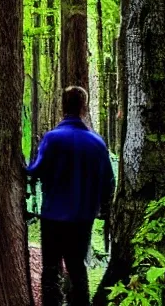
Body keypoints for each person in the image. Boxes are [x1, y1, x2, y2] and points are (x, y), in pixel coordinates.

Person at [27, 86, 115, 306]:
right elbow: (108, 182)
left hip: (53, 216)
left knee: (50, 269)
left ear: (63, 106)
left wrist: (22, 165)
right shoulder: (97, 143)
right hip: (82, 218)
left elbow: (35, 170)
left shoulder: (52, 138)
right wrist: (104, 207)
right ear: (83, 108)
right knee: (77, 268)